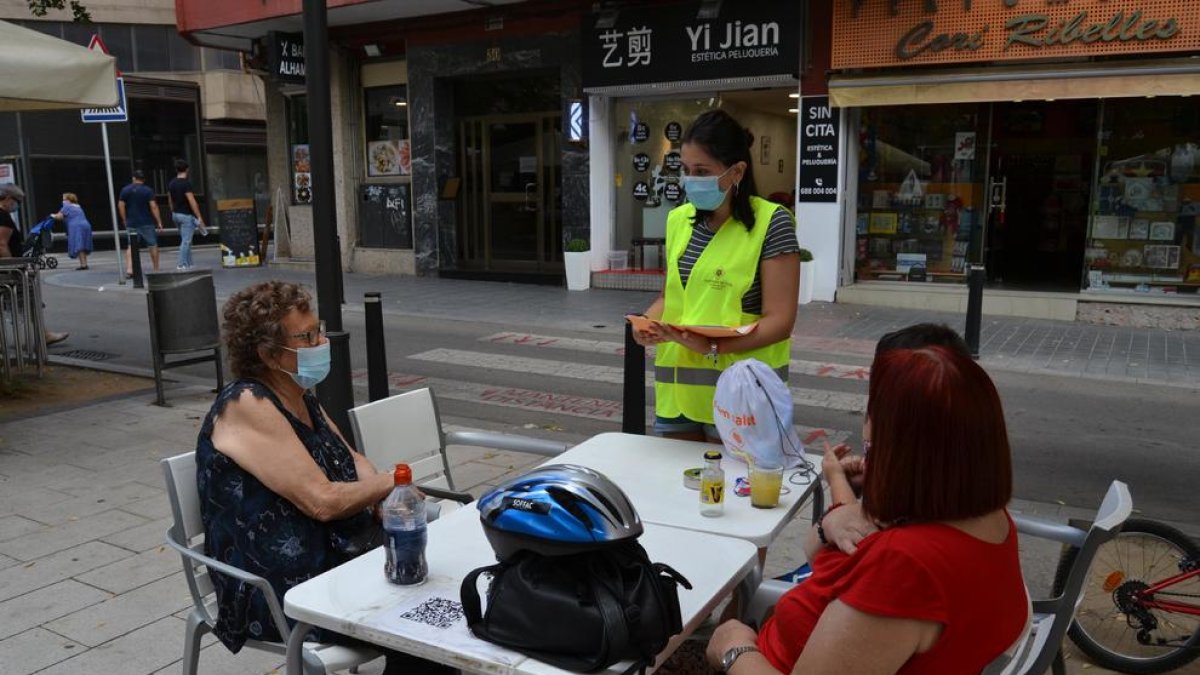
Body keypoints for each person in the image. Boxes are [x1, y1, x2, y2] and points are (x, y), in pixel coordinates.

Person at [703, 346, 1027, 674]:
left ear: (902, 455)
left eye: (872, 444)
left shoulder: (904, 567)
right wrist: (838, 515)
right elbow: (822, 558)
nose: (868, 456)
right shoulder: (988, 520)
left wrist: (733, 649)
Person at [196, 281, 451, 674]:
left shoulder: (300, 397)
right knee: (420, 619)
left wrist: (381, 497)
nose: (321, 342)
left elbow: (354, 460)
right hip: (277, 586)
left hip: (337, 556)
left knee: (438, 596)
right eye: (307, 336)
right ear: (268, 354)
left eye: (319, 330)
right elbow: (322, 501)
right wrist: (389, 483)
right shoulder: (247, 403)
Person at [632, 110, 800, 442]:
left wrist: (713, 345)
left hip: (741, 394)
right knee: (678, 476)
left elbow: (780, 321)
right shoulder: (679, 219)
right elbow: (671, 296)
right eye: (686, 170)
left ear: (737, 171)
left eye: (702, 171)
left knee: (730, 478)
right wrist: (647, 323)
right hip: (678, 396)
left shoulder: (772, 223)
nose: (690, 180)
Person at [0, 184, 68, 345]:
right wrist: (13, 267)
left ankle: (43, 334)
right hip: (9, 270)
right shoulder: (3, 217)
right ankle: (43, 335)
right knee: (29, 300)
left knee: (27, 301)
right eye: (18, 201)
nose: (18, 205)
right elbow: (1, 244)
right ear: (8, 198)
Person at [118, 169, 163, 276]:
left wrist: (124, 219)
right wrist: (159, 221)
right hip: (147, 221)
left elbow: (121, 205)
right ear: (143, 179)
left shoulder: (125, 190)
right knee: (152, 245)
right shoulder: (148, 190)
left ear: (133, 178)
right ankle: (156, 268)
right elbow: (153, 206)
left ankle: (130, 269)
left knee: (131, 245)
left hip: (131, 222)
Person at [167, 159, 207, 270]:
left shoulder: (171, 183)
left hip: (176, 214)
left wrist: (173, 211)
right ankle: (181, 264)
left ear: (176, 170)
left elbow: (170, 200)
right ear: (187, 169)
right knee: (186, 241)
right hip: (186, 215)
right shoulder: (186, 183)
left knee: (185, 239)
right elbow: (192, 201)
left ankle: (189, 263)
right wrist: (199, 216)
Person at [51, 192, 93, 270]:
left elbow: (59, 216)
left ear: (69, 200)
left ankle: (83, 265)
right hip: (86, 225)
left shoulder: (67, 206)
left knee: (79, 245)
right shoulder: (78, 207)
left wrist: (52, 215)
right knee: (82, 245)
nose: (63, 201)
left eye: (64, 199)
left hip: (77, 227)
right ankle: (84, 263)